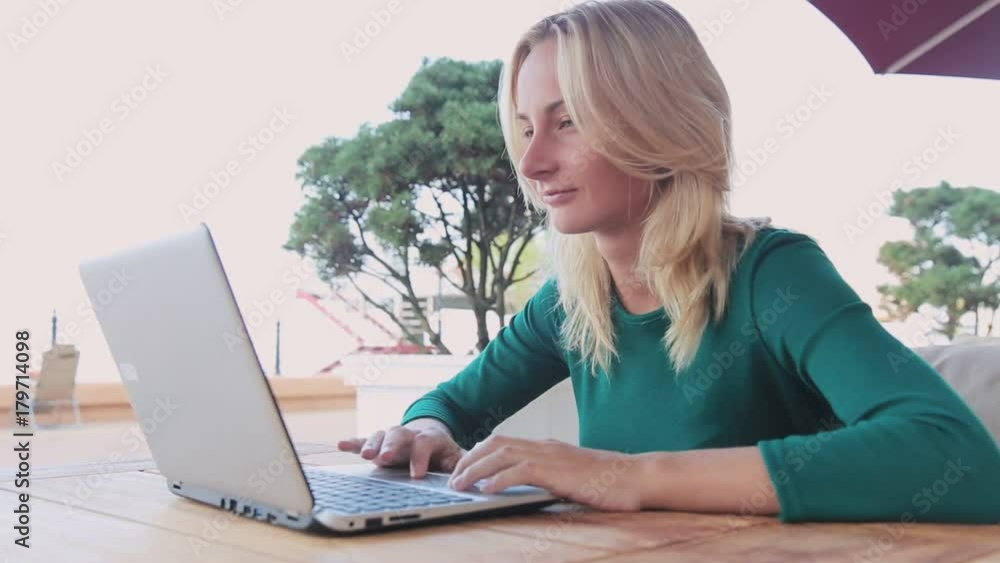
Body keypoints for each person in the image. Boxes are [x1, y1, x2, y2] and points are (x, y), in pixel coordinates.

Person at [338, 0, 1000, 523]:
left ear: (657, 123)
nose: (533, 163)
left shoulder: (774, 275)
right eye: (526, 126)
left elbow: (955, 457)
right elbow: (451, 403)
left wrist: (624, 476)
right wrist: (421, 431)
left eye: (568, 122)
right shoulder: (573, 299)